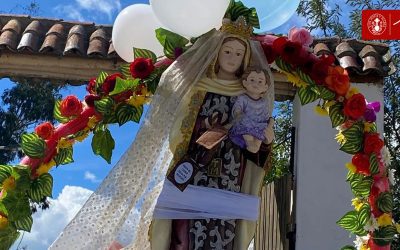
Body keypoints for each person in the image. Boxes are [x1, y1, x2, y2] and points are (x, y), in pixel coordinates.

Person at [51, 17, 275, 250]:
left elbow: (258, 136)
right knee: (182, 233)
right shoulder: (198, 87)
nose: (231, 58)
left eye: (238, 54)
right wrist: (208, 131)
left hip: (230, 175)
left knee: (222, 233)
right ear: (216, 53)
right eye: (227, 51)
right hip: (193, 169)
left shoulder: (251, 93)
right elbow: (180, 127)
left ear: (246, 60)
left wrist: (264, 141)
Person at [229, 67, 274, 153]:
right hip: (247, 121)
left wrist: (269, 122)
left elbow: (265, 114)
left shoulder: (264, 102)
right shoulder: (243, 98)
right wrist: (238, 113)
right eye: (252, 80)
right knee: (244, 121)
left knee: (263, 128)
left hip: (258, 123)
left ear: (265, 87)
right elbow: (238, 108)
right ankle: (249, 141)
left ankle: (257, 145)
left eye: (260, 81)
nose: (255, 84)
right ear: (245, 82)